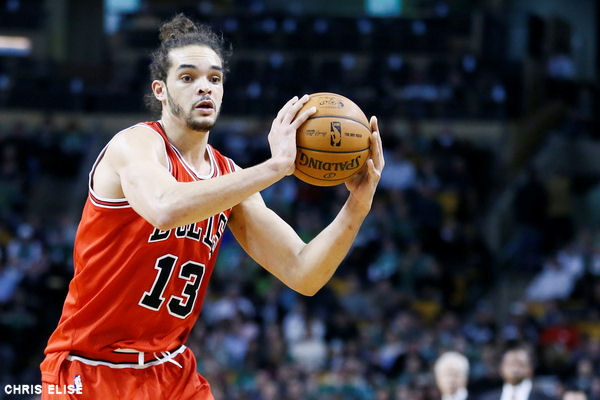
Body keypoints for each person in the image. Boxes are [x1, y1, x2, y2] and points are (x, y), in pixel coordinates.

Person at [39, 13, 384, 400]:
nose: (204, 87)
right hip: (89, 367)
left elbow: (303, 272)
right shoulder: (135, 145)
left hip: (171, 370)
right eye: (187, 77)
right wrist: (275, 167)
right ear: (160, 90)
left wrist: (357, 205)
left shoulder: (229, 177)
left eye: (214, 78)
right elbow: (165, 208)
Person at [479, 347, 557, 400]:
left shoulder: (545, 398)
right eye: (510, 364)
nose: (515, 369)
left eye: (520, 364)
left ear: (530, 369)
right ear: (501, 369)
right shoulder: (487, 398)